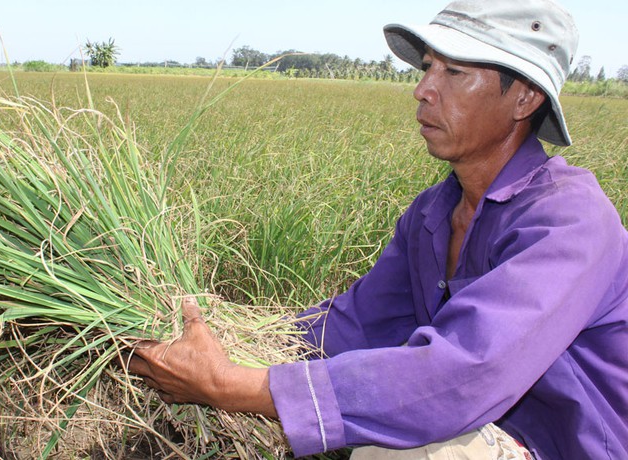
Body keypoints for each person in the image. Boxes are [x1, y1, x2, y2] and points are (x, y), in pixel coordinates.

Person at [124, 0, 628, 458]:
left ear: (523, 99)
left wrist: (230, 384)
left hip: (563, 444)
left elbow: (464, 373)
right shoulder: (435, 211)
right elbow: (356, 323)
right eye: (429, 66)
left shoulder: (570, 220)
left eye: (454, 71)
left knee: (402, 455)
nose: (423, 89)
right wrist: (215, 338)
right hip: (486, 426)